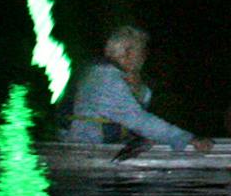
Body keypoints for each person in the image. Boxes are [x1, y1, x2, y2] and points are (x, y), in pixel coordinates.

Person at [63, 25, 211, 152]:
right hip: (84, 147)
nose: (144, 57)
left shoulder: (104, 72)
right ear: (128, 53)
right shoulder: (106, 79)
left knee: (150, 140)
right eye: (142, 51)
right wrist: (187, 138)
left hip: (101, 143)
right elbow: (139, 120)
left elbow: (136, 108)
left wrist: (138, 88)